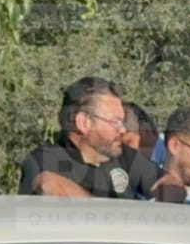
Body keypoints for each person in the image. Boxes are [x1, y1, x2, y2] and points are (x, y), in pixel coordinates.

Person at [20, 78, 160, 199]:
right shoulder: (46, 158)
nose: (122, 130)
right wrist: (110, 216)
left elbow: (167, 183)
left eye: (122, 122)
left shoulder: (123, 157)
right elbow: (47, 184)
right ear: (83, 123)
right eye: (114, 122)